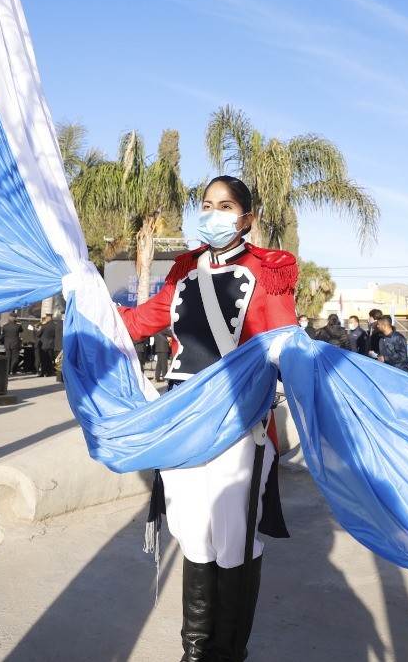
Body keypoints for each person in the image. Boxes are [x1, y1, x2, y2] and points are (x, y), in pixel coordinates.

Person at [119, 175, 297, 662]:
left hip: (238, 422)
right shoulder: (182, 271)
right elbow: (138, 321)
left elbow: (284, 341)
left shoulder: (268, 270)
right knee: (192, 530)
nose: (213, 213)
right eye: (206, 204)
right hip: (182, 419)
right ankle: (195, 651)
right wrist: (89, 303)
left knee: (232, 535)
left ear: (247, 218)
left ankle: (227, 652)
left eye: (225, 205)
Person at [36, 312, 57, 377]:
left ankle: (43, 372)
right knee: (50, 359)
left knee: (43, 359)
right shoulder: (55, 326)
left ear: (47, 318)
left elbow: (38, 334)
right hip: (51, 344)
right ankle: (49, 372)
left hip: (44, 344)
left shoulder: (43, 326)